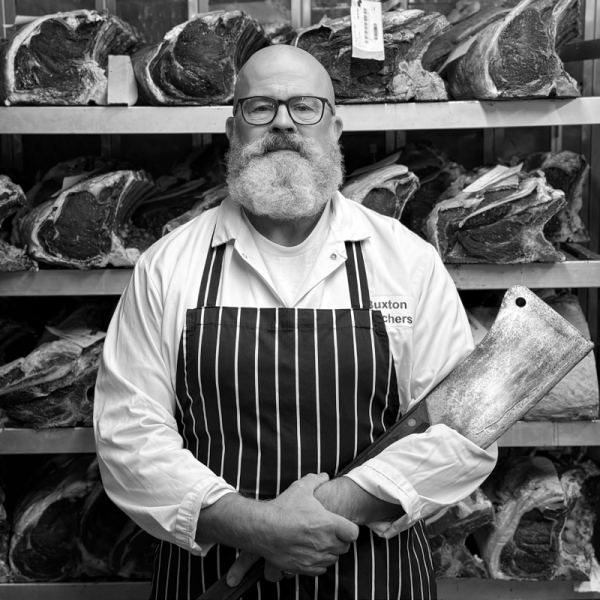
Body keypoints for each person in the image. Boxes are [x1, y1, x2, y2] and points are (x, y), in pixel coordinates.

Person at [94, 44, 498, 600]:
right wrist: (253, 525)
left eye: (305, 107)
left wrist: (318, 513)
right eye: (260, 107)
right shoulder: (169, 265)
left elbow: (462, 432)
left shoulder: (405, 260)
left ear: (335, 128)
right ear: (232, 129)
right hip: (216, 577)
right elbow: (128, 437)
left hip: (373, 578)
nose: (283, 122)